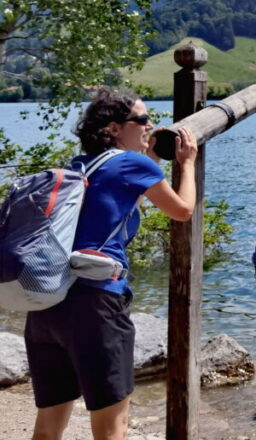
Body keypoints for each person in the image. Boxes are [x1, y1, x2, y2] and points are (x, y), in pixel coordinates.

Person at [26, 88, 198, 440]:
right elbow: (182, 210)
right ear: (116, 128)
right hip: (96, 305)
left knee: (47, 426)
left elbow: (115, 205)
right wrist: (188, 164)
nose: (151, 125)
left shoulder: (77, 166)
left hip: (47, 304)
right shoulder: (134, 166)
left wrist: (151, 161)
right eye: (143, 119)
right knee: (111, 429)